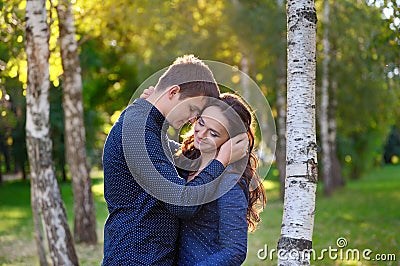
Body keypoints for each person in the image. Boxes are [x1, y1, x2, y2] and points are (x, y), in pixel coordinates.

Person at [102, 55, 249, 265]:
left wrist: (216, 149)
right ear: (173, 92)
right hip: (134, 258)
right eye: (192, 110)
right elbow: (183, 203)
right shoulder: (137, 129)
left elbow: (181, 158)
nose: (191, 120)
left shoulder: (150, 128)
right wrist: (222, 159)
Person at [176, 93, 267, 265]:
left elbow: (234, 251)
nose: (201, 133)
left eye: (213, 133)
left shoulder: (229, 181)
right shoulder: (183, 163)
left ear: (230, 141)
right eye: (201, 122)